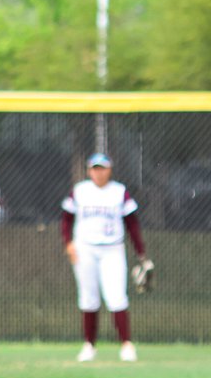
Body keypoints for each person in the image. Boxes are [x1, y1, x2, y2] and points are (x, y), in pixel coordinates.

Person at [61, 153, 148, 363]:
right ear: (89, 170)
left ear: (109, 170)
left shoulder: (119, 192)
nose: (99, 172)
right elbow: (66, 219)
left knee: (117, 296)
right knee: (88, 297)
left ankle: (126, 345)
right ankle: (89, 345)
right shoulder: (80, 191)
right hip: (85, 248)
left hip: (113, 249)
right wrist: (69, 243)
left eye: (103, 168)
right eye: (95, 168)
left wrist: (141, 253)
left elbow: (132, 224)